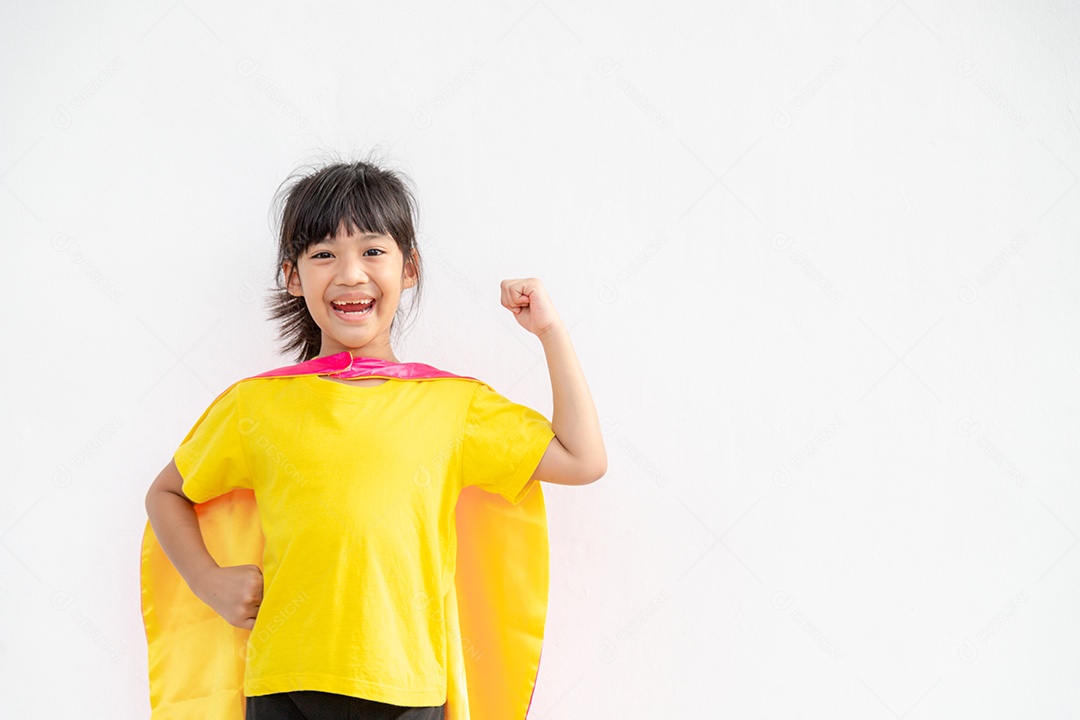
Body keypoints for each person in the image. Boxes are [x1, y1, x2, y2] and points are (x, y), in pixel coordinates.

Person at [143, 157, 607, 720]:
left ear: (408, 268)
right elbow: (167, 493)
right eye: (323, 255)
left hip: (407, 691)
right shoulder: (254, 405)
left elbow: (583, 459)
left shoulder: (452, 405)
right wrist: (207, 580)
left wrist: (551, 332)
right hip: (282, 685)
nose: (350, 273)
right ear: (293, 276)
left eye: (372, 250)